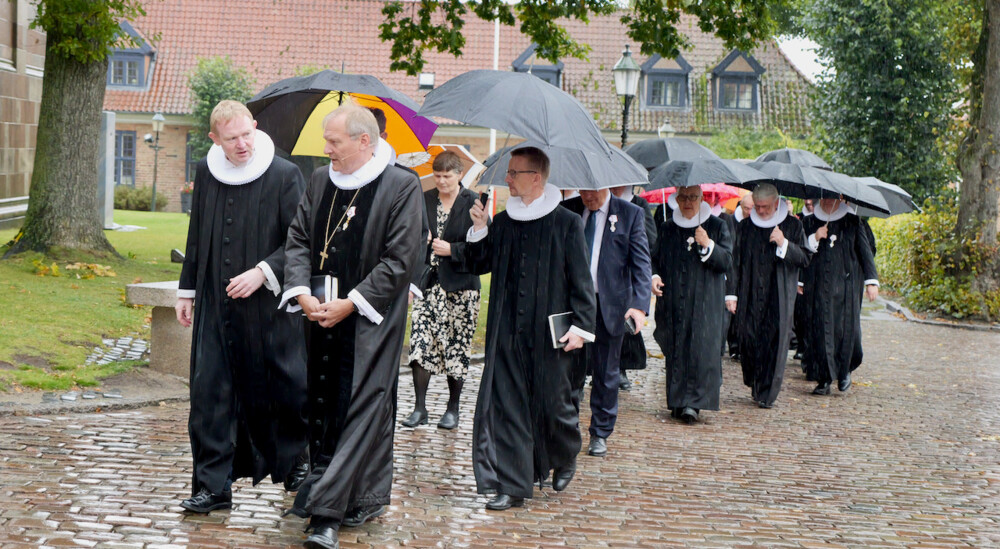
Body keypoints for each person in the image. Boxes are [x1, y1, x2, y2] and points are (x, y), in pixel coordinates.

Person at [280, 104, 423, 549]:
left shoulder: (402, 185)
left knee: (362, 407)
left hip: (369, 323)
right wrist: (301, 291)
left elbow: (401, 260)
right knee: (324, 403)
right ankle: (364, 494)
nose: (326, 150)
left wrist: (351, 303)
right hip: (320, 315)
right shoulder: (322, 180)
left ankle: (327, 515)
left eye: (334, 142)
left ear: (365, 141)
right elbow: (300, 238)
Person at [175, 100, 308, 513]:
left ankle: (296, 466)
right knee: (210, 392)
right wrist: (187, 291)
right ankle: (213, 486)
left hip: (269, 308)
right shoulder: (206, 171)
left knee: (283, 389)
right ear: (215, 139)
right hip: (216, 305)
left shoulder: (286, 174)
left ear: (255, 125)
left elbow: (300, 243)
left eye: (246, 134)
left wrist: (264, 271)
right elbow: (196, 234)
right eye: (231, 139)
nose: (242, 145)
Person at [458, 147, 596, 511]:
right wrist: (478, 227)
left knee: (554, 405)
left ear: (536, 177)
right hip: (506, 332)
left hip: (550, 334)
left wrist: (582, 327)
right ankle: (513, 484)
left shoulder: (567, 223)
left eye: (514, 173)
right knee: (509, 408)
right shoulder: (502, 222)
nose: (507, 178)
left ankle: (565, 452)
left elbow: (582, 281)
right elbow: (480, 263)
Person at [562, 188, 650, 456]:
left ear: (608, 187)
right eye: (584, 191)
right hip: (575, 302)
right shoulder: (570, 209)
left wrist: (639, 306)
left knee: (606, 371)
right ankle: (568, 426)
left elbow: (641, 264)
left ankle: (600, 431)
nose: (588, 197)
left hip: (610, 304)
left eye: (594, 192)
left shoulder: (630, 214)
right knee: (570, 368)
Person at [401, 151, 483, 430]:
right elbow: (412, 244)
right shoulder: (424, 200)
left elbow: (483, 250)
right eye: (437, 176)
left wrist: (453, 250)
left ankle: (452, 409)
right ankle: (420, 408)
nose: (441, 181)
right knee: (420, 344)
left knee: (456, 348)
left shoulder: (473, 202)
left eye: (447, 176)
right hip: (429, 284)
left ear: (459, 175)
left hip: (462, 288)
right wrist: (421, 242)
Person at [651, 185, 733, 423]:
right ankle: (677, 400)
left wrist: (708, 245)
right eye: (683, 197)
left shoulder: (717, 226)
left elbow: (727, 261)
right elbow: (654, 259)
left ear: (702, 198)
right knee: (676, 348)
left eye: (693, 198)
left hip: (705, 301)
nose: (688, 202)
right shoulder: (667, 228)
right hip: (674, 300)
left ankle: (693, 404)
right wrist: (654, 277)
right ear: (676, 199)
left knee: (700, 350)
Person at [726, 183, 809, 409]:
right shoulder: (744, 227)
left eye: (765, 207)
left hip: (778, 294)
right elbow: (735, 262)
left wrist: (784, 243)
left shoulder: (792, 226)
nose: (760, 211)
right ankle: (755, 381)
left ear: (775, 204)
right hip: (749, 292)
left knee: (774, 342)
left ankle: (767, 393)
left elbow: (804, 258)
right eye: (757, 206)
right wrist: (731, 294)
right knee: (748, 340)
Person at [800, 198, 878, 395]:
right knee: (819, 330)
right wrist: (815, 238)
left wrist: (871, 281)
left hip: (846, 285)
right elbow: (801, 251)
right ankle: (824, 378)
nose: (828, 201)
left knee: (844, 331)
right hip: (818, 284)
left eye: (832, 196)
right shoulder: (809, 221)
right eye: (824, 196)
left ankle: (844, 371)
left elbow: (865, 252)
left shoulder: (852, 221)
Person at [610, 184, 656, 390]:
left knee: (624, 323)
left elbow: (650, 239)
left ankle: (621, 368)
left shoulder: (639, 205)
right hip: (604, 272)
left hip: (627, 273)